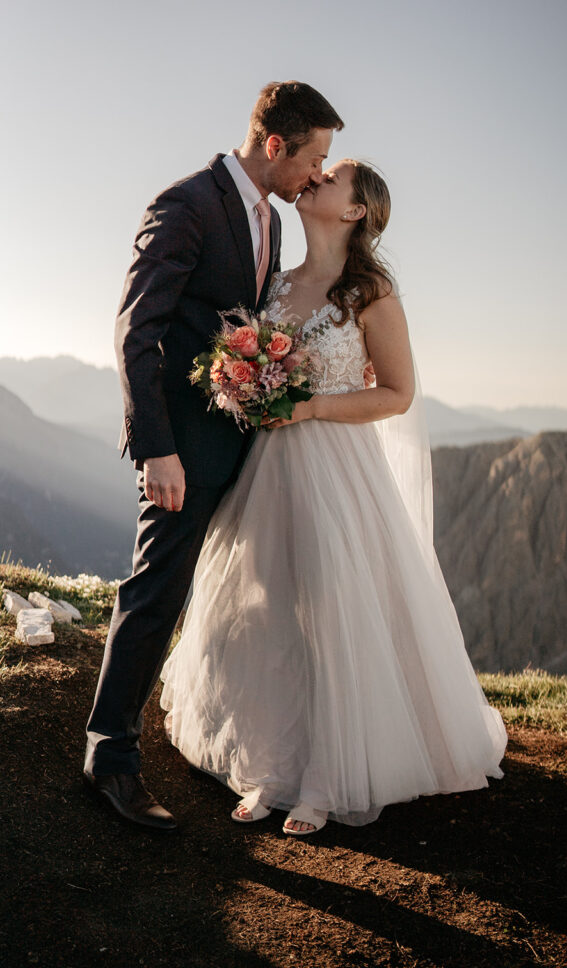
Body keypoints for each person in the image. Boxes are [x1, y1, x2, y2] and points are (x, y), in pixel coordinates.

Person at [159, 159, 508, 836]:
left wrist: (311, 405)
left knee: (332, 609)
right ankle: (266, 764)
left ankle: (325, 776)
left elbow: (396, 394)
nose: (314, 177)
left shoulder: (370, 292)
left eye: (332, 176)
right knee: (265, 605)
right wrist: (243, 383)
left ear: (355, 211)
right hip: (268, 469)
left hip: (336, 468)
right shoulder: (279, 281)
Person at [83, 82, 344, 830]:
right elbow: (137, 331)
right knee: (156, 587)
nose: (317, 175)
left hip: (245, 447)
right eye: (314, 157)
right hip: (184, 449)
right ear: (275, 146)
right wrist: (156, 448)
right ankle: (111, 757)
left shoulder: (270, 220)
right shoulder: (187, 203)